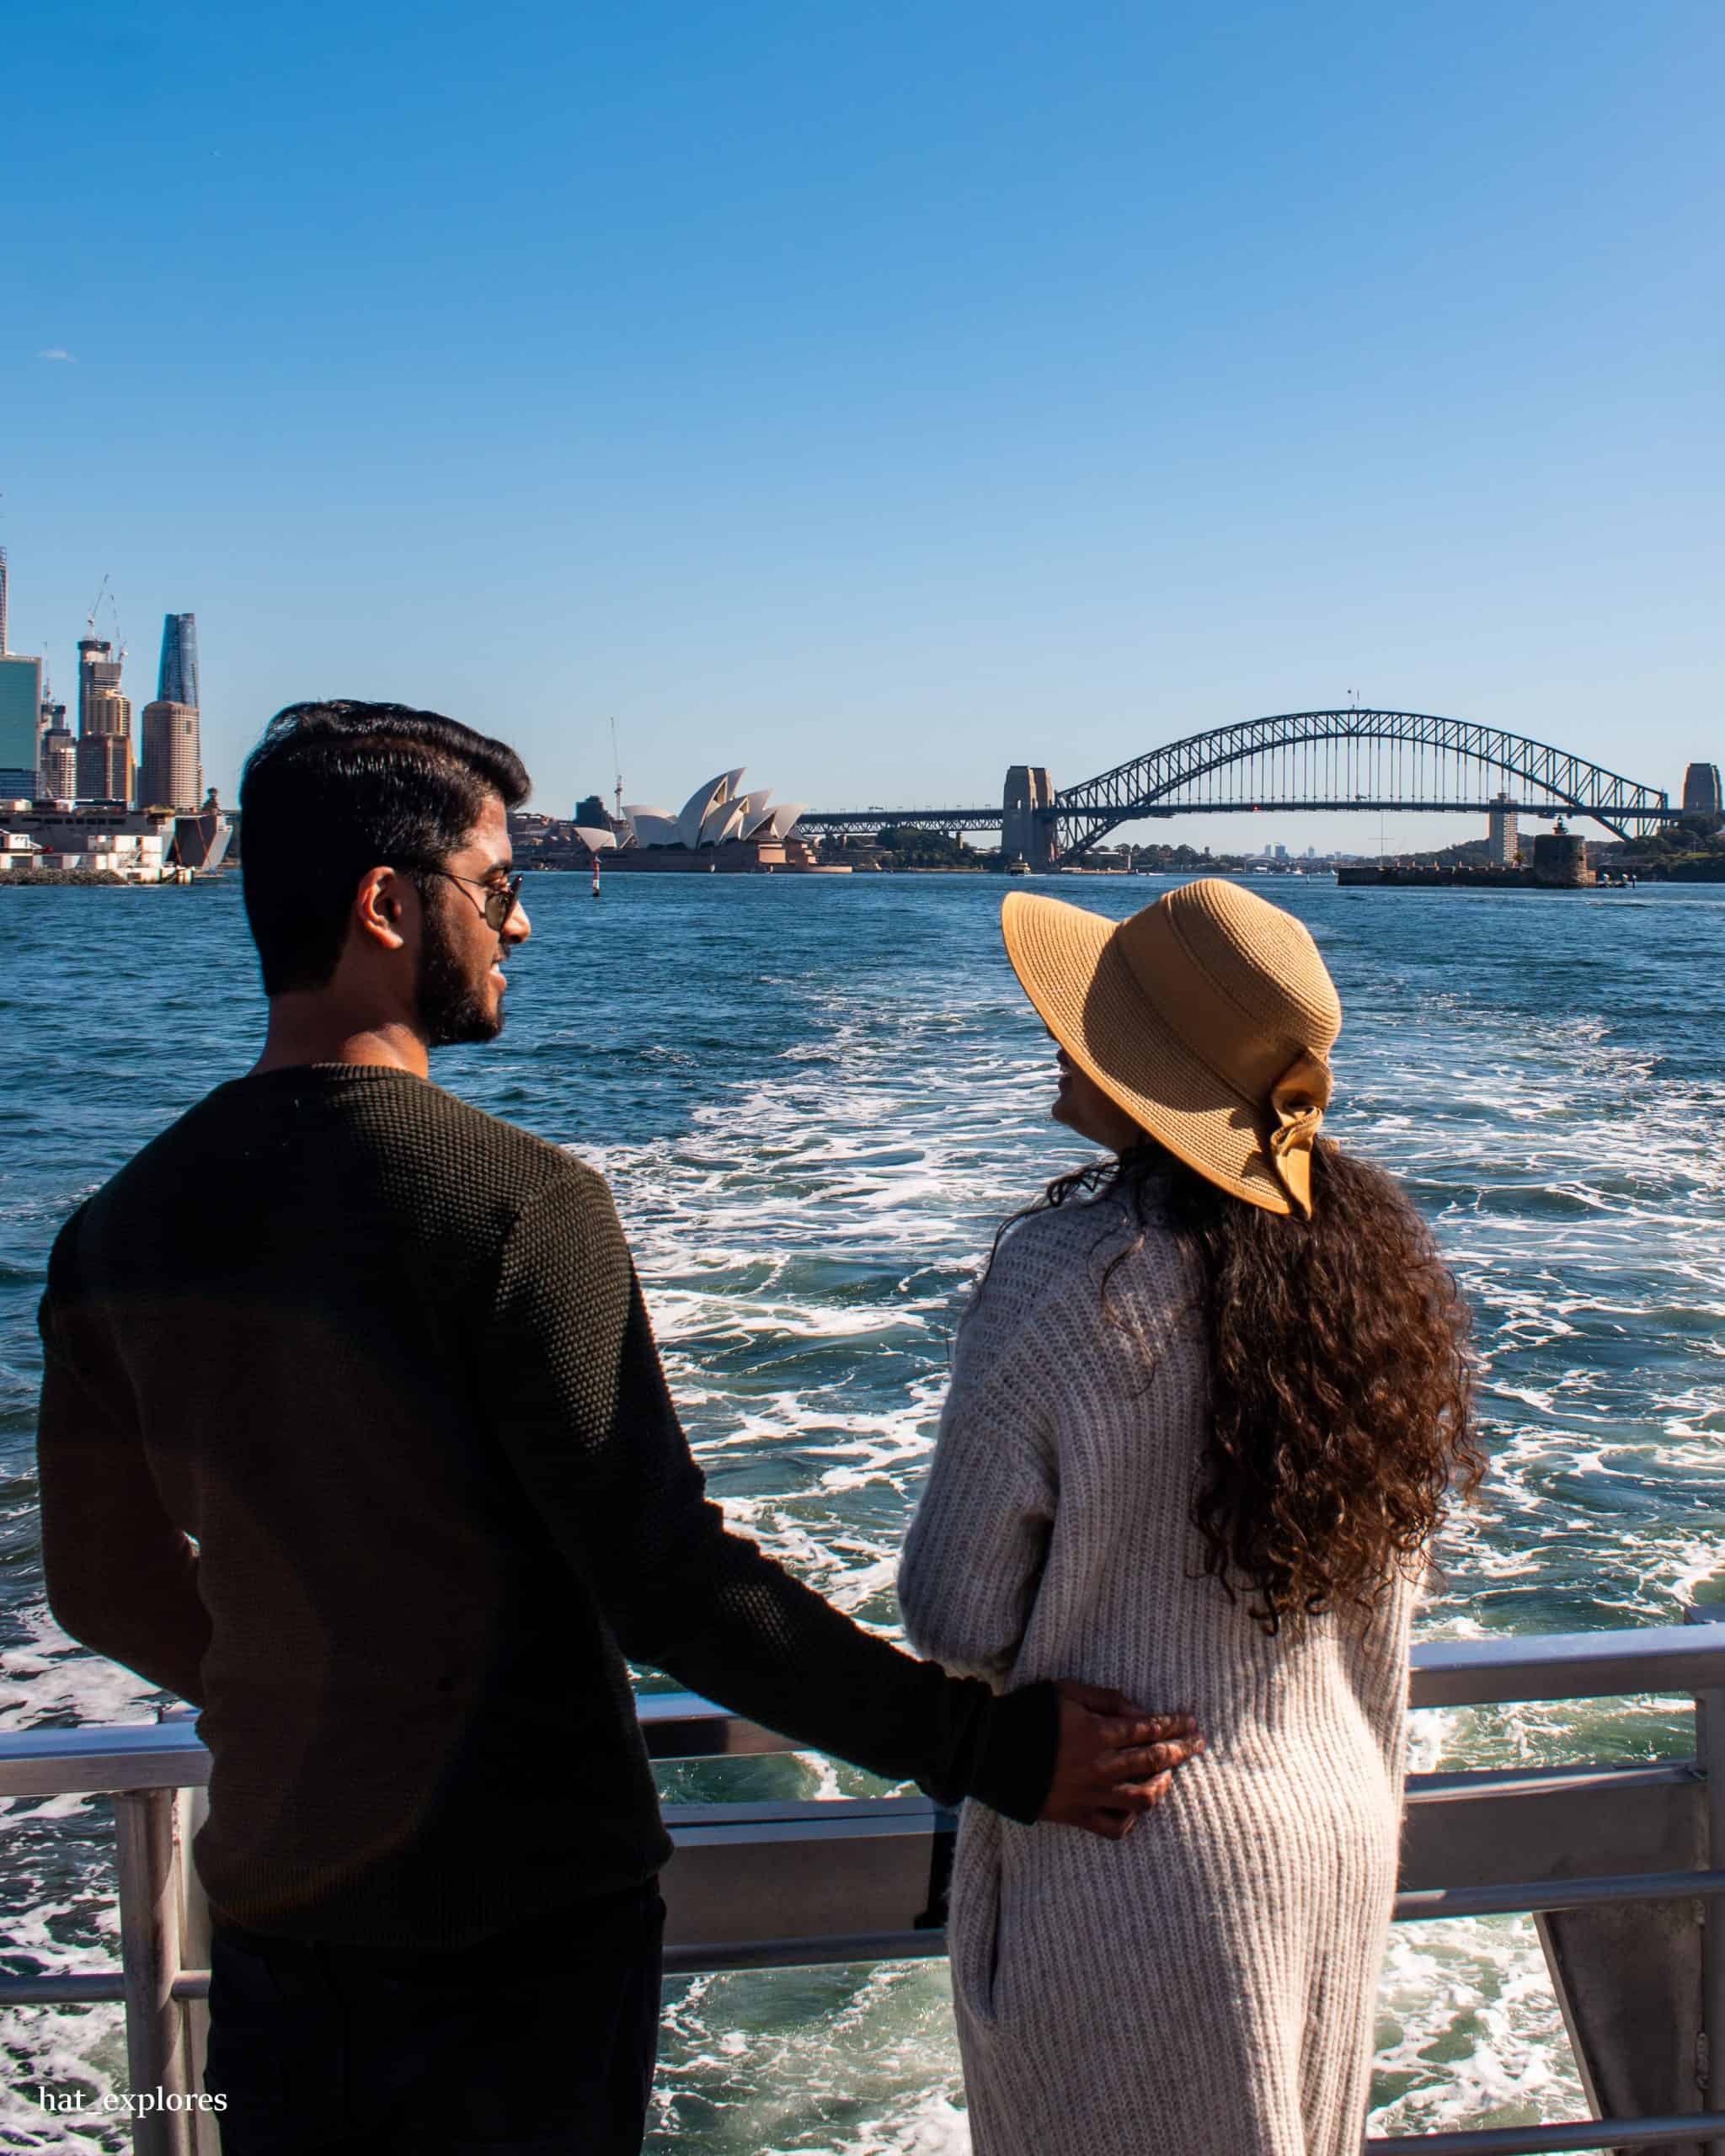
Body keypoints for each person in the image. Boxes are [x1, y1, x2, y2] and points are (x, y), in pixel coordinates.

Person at [34, 702, 1201, 2156]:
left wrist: (302, 1701)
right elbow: (663, 1576)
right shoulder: (519, 1204)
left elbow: (99, 1583)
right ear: (388, 907)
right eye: (499, 889)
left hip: (278, 1904)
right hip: (521, 1918)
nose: (520, 931)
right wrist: (987, 1749)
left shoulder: (114, 1230)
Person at [898, 879, 1481, 2156]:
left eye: (1092, 1020)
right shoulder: (1364, 1268)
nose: (1059, 1036)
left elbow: (954, 1613)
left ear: (1151, 1070)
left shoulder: (1072, 1277)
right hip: (1333, 1843)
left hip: (1134, 1856)